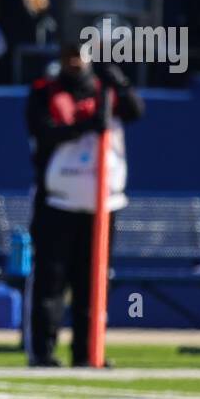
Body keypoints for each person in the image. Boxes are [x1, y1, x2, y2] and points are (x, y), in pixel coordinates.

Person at [25, 39, 144, 368]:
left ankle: (87, 350)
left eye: (80, 54)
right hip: (59, 201)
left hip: (102, 205)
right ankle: (43, 351)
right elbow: (43, 131)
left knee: (92, 282)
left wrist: (119, 81)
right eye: (68, 54)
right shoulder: (45, 91)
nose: (74, 61)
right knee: (51, 281)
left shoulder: (106, 91)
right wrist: (84, 127)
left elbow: (136, 110)